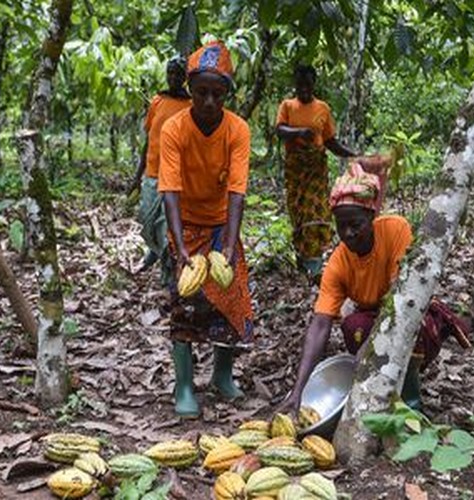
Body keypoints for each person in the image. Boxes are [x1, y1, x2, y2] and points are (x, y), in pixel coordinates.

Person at [278, 162, 471, 415]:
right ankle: (376, 390)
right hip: (371, 316)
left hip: (407, 310)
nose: (348, 233)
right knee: (353, 327)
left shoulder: (395, 230)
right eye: (341, 225)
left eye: (355, 224)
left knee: (407, 325)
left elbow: (401, 298)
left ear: (371, 217)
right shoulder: (338, 263)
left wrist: (370, 347)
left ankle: (411, 400)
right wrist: (298, 391)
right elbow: (320, 325)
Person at [158, 41, 253, 418]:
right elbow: (169, 190)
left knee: (229, 297)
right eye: (201, 92)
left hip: (221, 223)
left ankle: (222, 375)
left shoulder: (237, 129)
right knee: (184, 302)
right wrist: (179, 246)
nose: (209, 101)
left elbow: (237, 191)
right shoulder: (174, 128)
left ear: (226, 93)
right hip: (185, 223)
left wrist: (228, 244)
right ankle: (184, 384)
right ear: (190, 90)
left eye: (217, 93)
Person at [275, 64, 359, 278]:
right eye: (300, 85)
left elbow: (330, 141)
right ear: (295, 85)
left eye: (308, 84)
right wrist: (299, 132)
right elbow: (280, 130)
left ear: (313, 85)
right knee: (298, 212)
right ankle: (302, 259)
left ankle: (314, 264)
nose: (304, 89)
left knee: (316, 211)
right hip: (296, 169)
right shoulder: (287, 105)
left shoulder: (322, 108)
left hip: (316, 169)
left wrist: (353, 155)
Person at [133, 57, 191, 283]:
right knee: (147, 221)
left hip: (175, 177)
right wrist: (137, 175)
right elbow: (149, 140)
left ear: (185, 78)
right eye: (170, 73)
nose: (173, 78)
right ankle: (156, 250)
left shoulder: (190, 106)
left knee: (168, 227)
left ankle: (169, 276)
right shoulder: (157, 101)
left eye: (178, 74)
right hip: (152, 173)